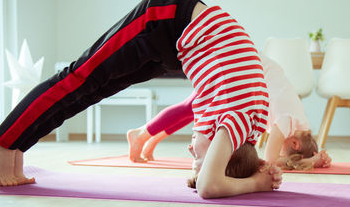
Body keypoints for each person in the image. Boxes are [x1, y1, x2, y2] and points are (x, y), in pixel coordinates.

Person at [0, 0, 282, 198]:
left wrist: (256, 169)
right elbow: (209, 187)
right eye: (200, 158)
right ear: (226, 148)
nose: (191, 151)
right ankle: (1, 140)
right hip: (165, 20)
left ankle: (18, 145)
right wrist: (256, 183)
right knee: (79, 77)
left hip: (177, 46)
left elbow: (220, 157)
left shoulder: (247, 124)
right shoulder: (235, 120)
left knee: (91, 90)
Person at [127, 56, 332, 174]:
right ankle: (141, 134)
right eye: (285, 151)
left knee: (196, 107)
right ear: (295, 144)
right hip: (243, 67)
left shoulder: (299, 122)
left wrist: (313, 158)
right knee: (192, 105)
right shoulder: (288, 122)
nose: (281, 151)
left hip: (248, 68)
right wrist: (309, 162)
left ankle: (148, 139)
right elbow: (270, 159)